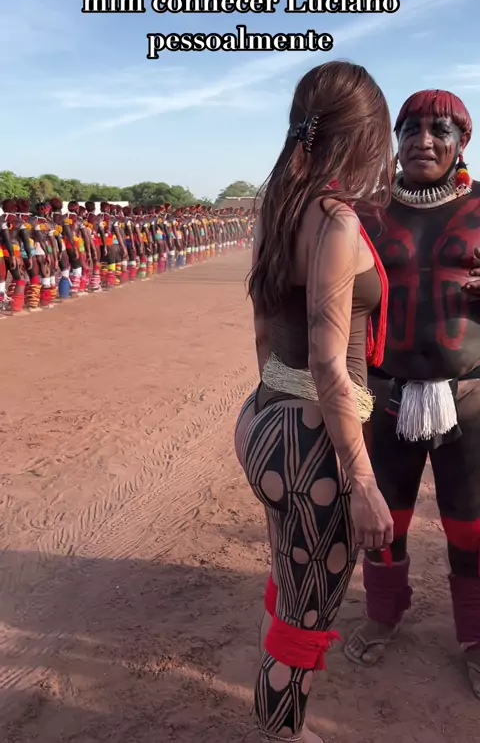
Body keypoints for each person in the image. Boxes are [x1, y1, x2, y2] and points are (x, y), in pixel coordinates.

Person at [234, 60, 395, 743]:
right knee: (307, 616)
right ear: (363, 137)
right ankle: (282, 733)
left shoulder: (277, 207)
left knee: (288, 580)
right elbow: (329, 364)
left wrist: (275, 411)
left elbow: (263, 330)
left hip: (264, 419)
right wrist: (363, 483)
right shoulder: (334, 221)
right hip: (313, 444)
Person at [343, 89, 480, 699]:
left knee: (471, 525)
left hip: (470, 393)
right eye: (411, 130)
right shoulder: (365, 213)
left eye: (440, 130)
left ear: (462, 143)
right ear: (395, 141)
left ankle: (475, 634)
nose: (424, 141)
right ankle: (384, 612)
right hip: (386, 392)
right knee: (385, 520)